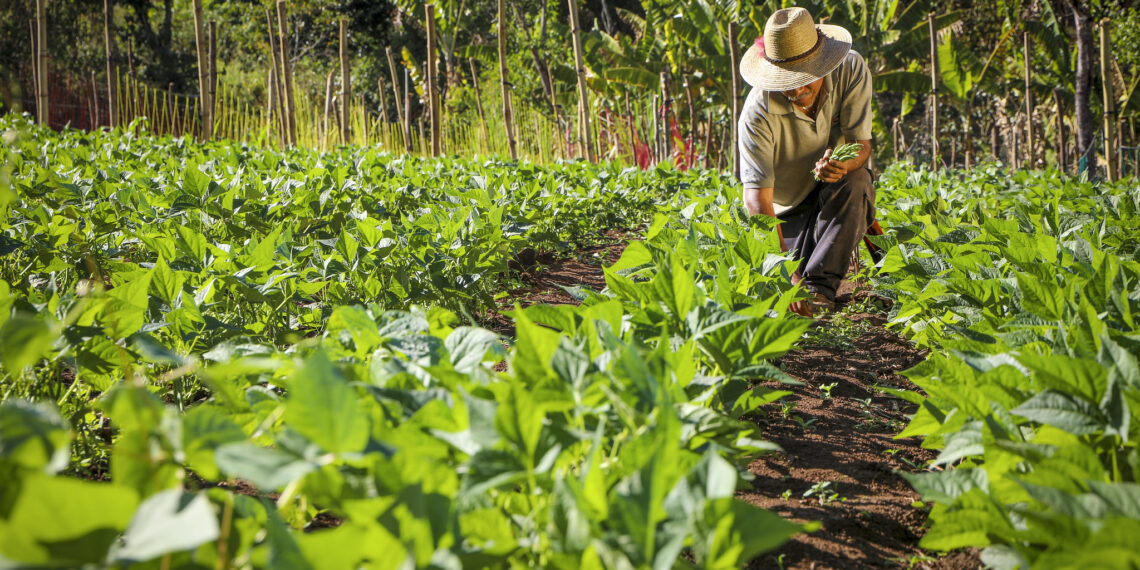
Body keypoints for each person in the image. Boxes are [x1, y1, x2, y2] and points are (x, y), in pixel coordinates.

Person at [737, 7, 875, 317]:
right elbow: (757, 200)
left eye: (804, 79)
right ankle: (805, 274)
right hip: (787, 213)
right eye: (786, 82)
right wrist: (788, 274)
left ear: (823, 63)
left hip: (832, 195)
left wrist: (844, 164)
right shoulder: (757, 113)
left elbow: (860, 146)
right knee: (786, 275)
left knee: (857, 180)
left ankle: (821, 290)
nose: (797, 91)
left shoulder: (850, 70)